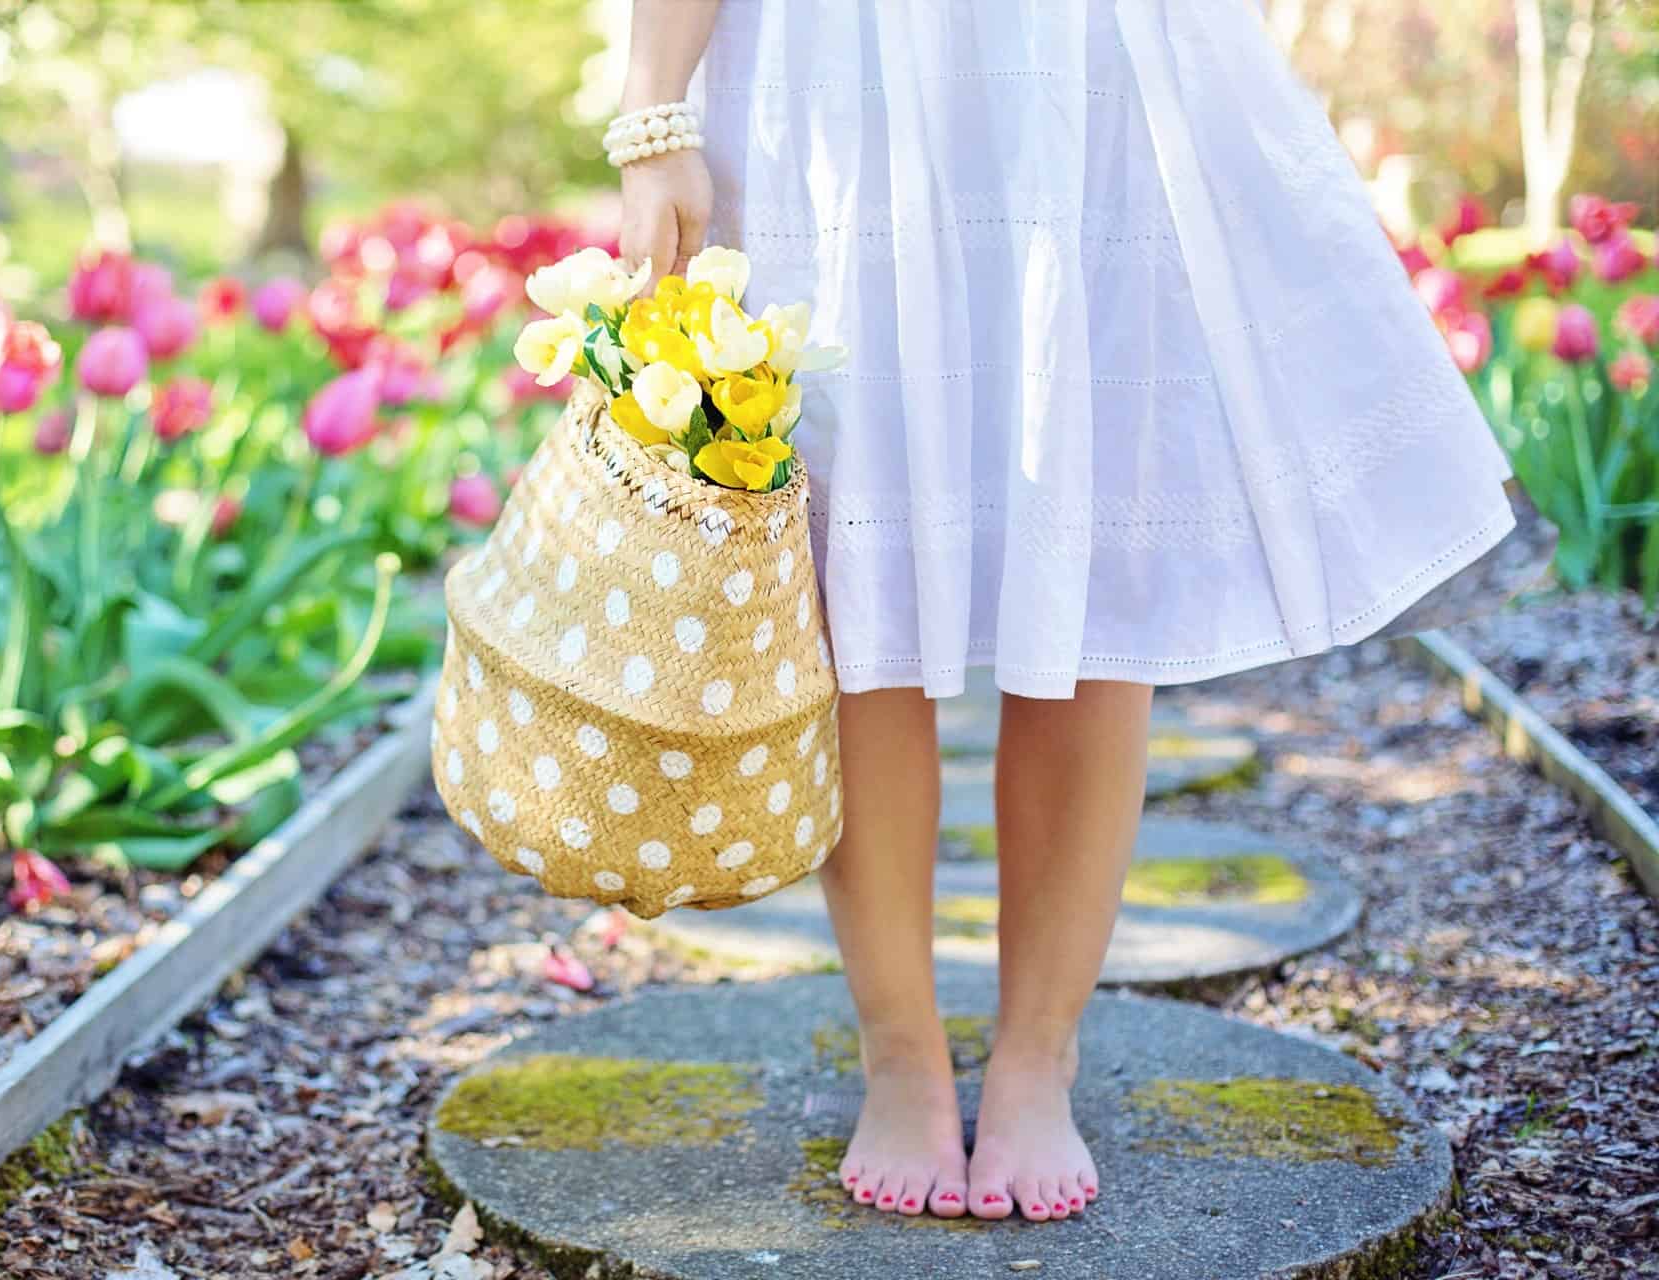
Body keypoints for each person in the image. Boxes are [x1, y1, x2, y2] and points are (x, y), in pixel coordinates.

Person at [611, 0, 1517, 1223]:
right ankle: (900, 1052)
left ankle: (1040, 1052)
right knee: (846, 553)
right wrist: (652, 110)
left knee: (1089, 536)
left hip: (1080, 61)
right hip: (831, 67)